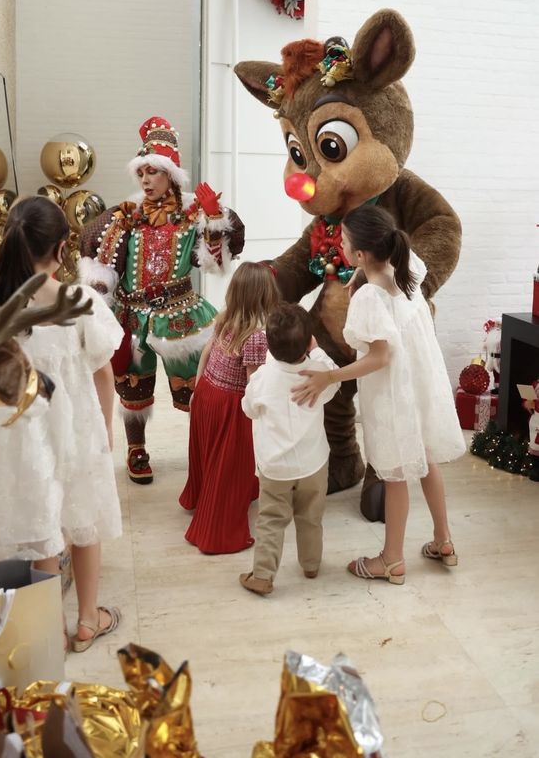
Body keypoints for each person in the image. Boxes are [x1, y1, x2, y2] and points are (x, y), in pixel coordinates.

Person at [0, 196, 124, 651]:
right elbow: (104, 372)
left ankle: (49, 631)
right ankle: (88, 621)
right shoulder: (80, 301)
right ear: (63, 249)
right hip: (77, 430)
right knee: (86, 521)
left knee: (43, 527)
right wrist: (107, 431)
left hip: (23, 436)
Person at [292, 205, 466, 585]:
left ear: (360, 254)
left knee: (397, 473)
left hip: (393, 393)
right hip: (421, 383)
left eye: (345, 240)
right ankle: (444, 540)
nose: (338, 241)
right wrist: (359, 273)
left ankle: (390, 560)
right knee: (426, 459)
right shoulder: (410, 269)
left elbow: (380, 356)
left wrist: (330, 377)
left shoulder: (370, 298)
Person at [79, 117, 245, 484]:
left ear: (170, 174)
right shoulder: (125, 217)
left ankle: (203, 447)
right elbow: (103, 267)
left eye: (153, 172)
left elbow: (215, 264)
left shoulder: (193, 216)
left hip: (181, 313)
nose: (145, 180)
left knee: (195, 388)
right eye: (141, 173)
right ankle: (136, 449)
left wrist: (215, 220)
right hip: (133, 315)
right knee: (132, 386)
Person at [179, 262, 279, 554]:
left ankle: (200, 497)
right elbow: (253, 383)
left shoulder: (225, 318)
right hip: (231, 404)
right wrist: (264, 412)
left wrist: (197, 390)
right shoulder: (257, 336)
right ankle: (215, 532)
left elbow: (207, 351)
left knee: (209, 455)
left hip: (208, 391)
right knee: (230, 463)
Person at [238, 303, 338, 595]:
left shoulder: (262, 379)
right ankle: (311, 564)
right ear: (310, 342)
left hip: (275, 467)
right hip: (313, 463)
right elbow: (332, 382)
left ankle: (263, 575)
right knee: (311, 516)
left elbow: (248, 411)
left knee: (271, 519)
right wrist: (317, 352)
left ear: (268, 344)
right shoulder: (320, 374)